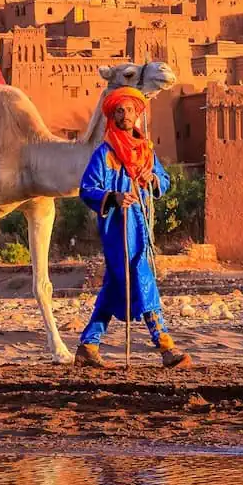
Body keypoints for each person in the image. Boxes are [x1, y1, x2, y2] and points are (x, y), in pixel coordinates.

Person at [75, 86, 191, 369]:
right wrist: (113, 197)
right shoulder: (105, 154)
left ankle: (88, 346)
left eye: (129, 110)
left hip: (141, 224)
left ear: (138, 116)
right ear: (112, 117)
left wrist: (152, 179)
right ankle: (165, 346)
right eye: (120, 111)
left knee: (116, 285)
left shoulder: (146, 152)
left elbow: (163, 181)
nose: (125, 115)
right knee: (141, 275)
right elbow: (87, 188)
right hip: (118, 228)